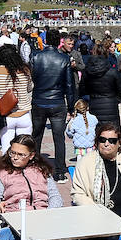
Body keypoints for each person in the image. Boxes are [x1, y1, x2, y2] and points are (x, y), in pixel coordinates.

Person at [71, 122, 121, 236]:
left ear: (119, 143)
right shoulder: (85, 162)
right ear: (97, 142)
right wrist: (97, 212)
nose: (106, 144)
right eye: (102, 140)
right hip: (99, 216)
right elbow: (78, 194)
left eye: (112, 141)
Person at [30, 28, 75, 179]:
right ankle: (60, 171)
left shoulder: (36, 56)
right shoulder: (63, 58)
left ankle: (35, 168)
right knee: (59, 138)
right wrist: (70, 105)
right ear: (58, 41)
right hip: (57, 101)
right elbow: (69, 85)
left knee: (37, 136)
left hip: (39, 100)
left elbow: (32, 78)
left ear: (46, 40)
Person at [0, 134, 64, 215]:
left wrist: (50, 212)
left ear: (31, 156)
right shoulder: (2, 173)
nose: (15, 157)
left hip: (43, 214)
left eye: (21, 155)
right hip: (15, 215)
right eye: (12, 153)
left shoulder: (42, 170)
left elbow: (55, 196)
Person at [0, 44, 34, 155]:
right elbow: (30, 88)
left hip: (6, 115)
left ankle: (7, 171)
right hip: (24, 113)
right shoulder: (25, 70)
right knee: (24, 149)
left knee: (6, 148)